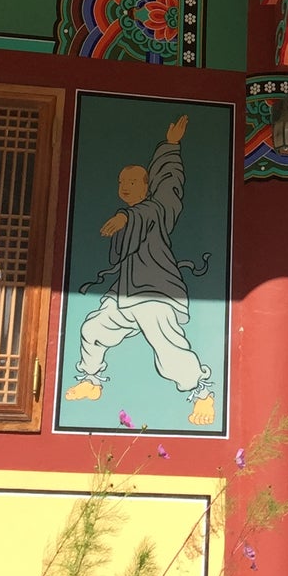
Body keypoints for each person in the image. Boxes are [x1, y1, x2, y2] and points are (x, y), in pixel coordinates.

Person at [64, 114, 215, 426]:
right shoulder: (140, 210)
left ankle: (201, 393)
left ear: (147, 186)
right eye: (123, 183)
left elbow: (166, 188)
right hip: (125, 293)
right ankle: (91, 381)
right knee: (92, 330)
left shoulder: (157, 209)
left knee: (169, 353)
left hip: (156, 293)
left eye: (134, 182)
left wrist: (171, 147)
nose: (127, 187)